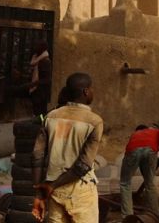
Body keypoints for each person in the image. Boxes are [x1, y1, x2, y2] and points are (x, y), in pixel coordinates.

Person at [31, 72, 103, 223]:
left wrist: (40, 193)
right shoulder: (94, 121)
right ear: (86, 91)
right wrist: (52, 186)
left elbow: (37, 155)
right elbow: (83, 166)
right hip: (80, 190)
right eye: (92, 89)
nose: (93, 92)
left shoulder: (50, 116)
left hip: (54, 192)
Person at [119, 126, 159, 217]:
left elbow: (130, 150)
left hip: (133, 150)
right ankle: (155, 214)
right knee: (149, 183)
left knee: (125, 183)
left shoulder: (135, 134)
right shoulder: (154, 131)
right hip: (151, 151)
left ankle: (127, 216)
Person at [29, 40, 52, 117]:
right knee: (36, 110)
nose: (35, 48)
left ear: (42, 48)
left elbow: (47, 79)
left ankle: (40, 125)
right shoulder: (36, 59)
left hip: (41, 90)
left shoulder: (45, 61)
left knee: (40, 112)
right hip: (37, 89)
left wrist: (35, 83)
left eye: (37, 46)